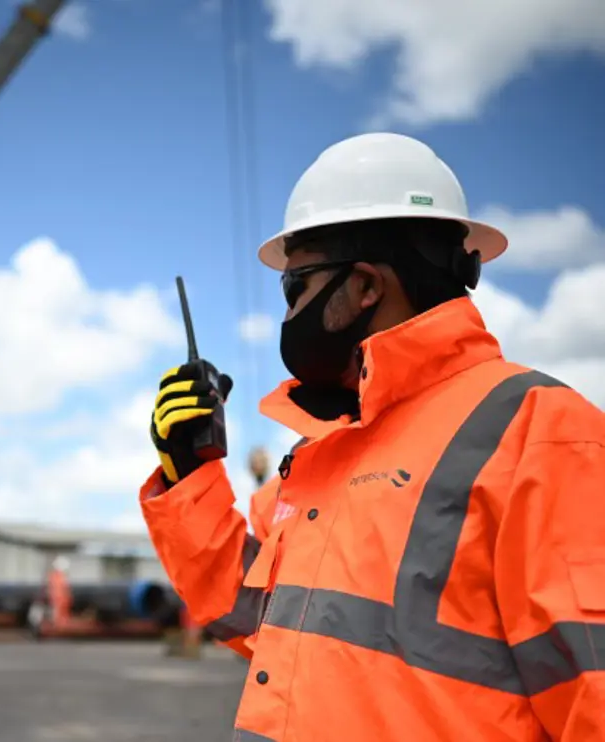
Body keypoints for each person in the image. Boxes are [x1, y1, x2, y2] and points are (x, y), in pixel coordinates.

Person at [140, 132, 605, 742]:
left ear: (364, 286)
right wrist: (187, 476)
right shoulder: (320, 451)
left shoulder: (543, 434)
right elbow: (260, 618)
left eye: (295, 286)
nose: (288, 314)